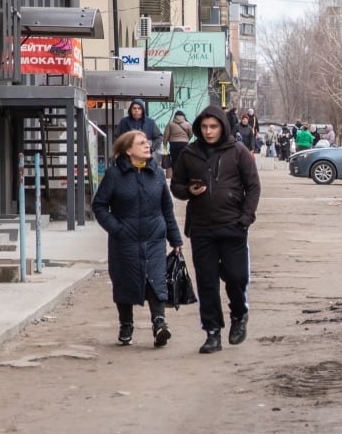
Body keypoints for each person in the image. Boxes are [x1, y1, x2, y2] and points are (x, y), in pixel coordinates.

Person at [170, 105, 261, 354]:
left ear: (223, 126)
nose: (209, 132)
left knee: (236, 277)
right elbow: (176, 186)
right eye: (205, 127)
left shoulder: (238, 152)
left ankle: (239, 315)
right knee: (207, 282)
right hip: (201, 228)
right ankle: (212, 332)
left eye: (214, 127)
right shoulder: (189, 154)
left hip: (233, 225)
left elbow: (253, 186)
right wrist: (189, 190)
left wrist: (246, 218)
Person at [92, 131, 183, 347]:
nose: (147, 145)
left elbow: (167, 209)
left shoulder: (158, 173)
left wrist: (175, 239)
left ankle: (159, 323)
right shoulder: (115, 174)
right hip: (125, 240)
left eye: (147, 142)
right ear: (127, 150)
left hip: (154, 237)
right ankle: (126, 324)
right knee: (125, 281)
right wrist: (117, 229)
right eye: (141, 143)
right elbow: (99, 206)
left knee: (156, 279)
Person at [117, 99, 162, 164]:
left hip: (145, 158)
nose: (136, 110)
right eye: (134, 108)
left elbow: (159, 137)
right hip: (127, 158)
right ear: (130, 109)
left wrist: (151, 148)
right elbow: (117, 137)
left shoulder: (150, 122)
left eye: (139, 108)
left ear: (142, 110)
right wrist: (123, 149)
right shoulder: (123, 122)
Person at [163, 109, 193, 176]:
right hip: (184, 144)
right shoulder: (188, 124)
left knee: (174, 160)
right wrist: (186, 139)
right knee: (183, 159)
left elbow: (166, 135)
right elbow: (191, 134)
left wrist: (164, 144)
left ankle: (176, 175)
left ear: (175, 116)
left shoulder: (170, 124)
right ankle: (183, 175)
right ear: (183, 116)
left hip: (173, 144)